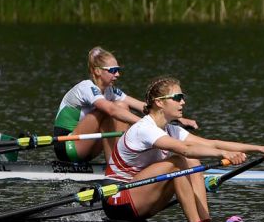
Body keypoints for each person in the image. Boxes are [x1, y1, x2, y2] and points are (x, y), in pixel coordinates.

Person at [104, 76, 264, 222]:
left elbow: (213, 143)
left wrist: (260, 149)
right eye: (177, 97)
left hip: (139, 199)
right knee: (179, 161)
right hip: (116, 200)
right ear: (159, 102)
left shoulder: (171, 130)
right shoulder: (145, 128)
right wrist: (224, 155)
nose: (183, 102)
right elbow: (186, 149)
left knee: (193, 162)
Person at [53, 46, 197, 163]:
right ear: (97, 71)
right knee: (114, 108)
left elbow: (144, 107)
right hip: (67, 145)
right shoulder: (86, 87)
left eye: (118, 70)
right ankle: (117, 165)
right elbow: (111, 110)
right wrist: (145, 124)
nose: (117, 75)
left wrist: (177, 118)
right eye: (113, 71)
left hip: (86, 146)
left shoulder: (110, 91)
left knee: (122, 105)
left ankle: (117, 163)